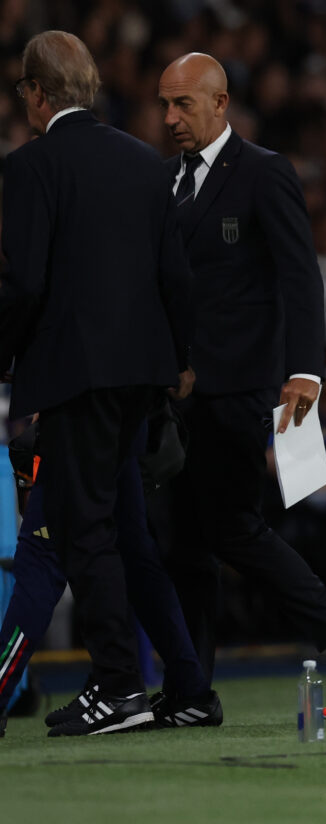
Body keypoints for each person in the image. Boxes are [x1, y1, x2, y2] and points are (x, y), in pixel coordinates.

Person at [154, 53, 326, 686]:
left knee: (232, 530)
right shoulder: (162, 181)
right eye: (165, 105)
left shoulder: (262, 173)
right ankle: (190, 684)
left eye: (184, 104)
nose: (171, 118)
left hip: (237, 388)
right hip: (174, 395)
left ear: (221, 103)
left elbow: (299, 276)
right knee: (184, 542)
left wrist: (306, 370)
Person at [0, 31, 192, 735]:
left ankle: (118, 685)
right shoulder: (147, 164)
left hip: (75, 374)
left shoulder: (32, 167)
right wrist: (177, 363)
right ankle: (163, 681)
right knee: (112, 527)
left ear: (39, 93)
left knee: (85, 532)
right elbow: (176, 276)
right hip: (141, 376)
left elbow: (24, 283)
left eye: (24, 90)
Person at [0, 426, 221, 734]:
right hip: (125, 412)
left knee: (41, 558)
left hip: (82, 412)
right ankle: (187, 690)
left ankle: (120, 689)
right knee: (134, 552)